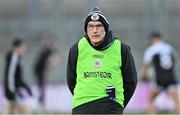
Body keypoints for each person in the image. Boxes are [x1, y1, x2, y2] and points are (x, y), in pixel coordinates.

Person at [67, 7, 137, 114]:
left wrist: (117, 103)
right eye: (90, 26)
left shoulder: (121, 49)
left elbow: (130, 82)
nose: (94, 31)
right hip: (81, 106)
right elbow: (71, 80)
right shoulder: (77, 48)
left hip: (110, 107)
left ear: (105, 28)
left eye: (99, 26)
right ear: (86, 30)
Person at [141, 31, 180, 114]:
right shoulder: (169, 48)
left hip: (160, 78)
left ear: (153, 39)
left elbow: (146, 65)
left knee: (151, 100)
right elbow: (174, 61)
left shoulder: (151, 49)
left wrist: (143, 76)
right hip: (171, 77)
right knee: (177, 101)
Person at [3, 38, 32, 114]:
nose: (24, 49)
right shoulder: (14, 57)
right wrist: (11, 90)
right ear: (17, 47)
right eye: (23, 47)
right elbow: (10, 75)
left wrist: (26, 87)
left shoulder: (15, 58)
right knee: (26, 112)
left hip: (13, 90)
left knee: (9, 112)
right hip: (12, 90)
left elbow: (17, 78)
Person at [34, 40, 55, 108]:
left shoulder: (45, 51)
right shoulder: (47, 51)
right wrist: (51, 64)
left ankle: (40, 101)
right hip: (39, 71)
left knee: (41, 86)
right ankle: (40, 102)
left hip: (39, 70)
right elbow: (46, 62)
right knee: (41, 87)